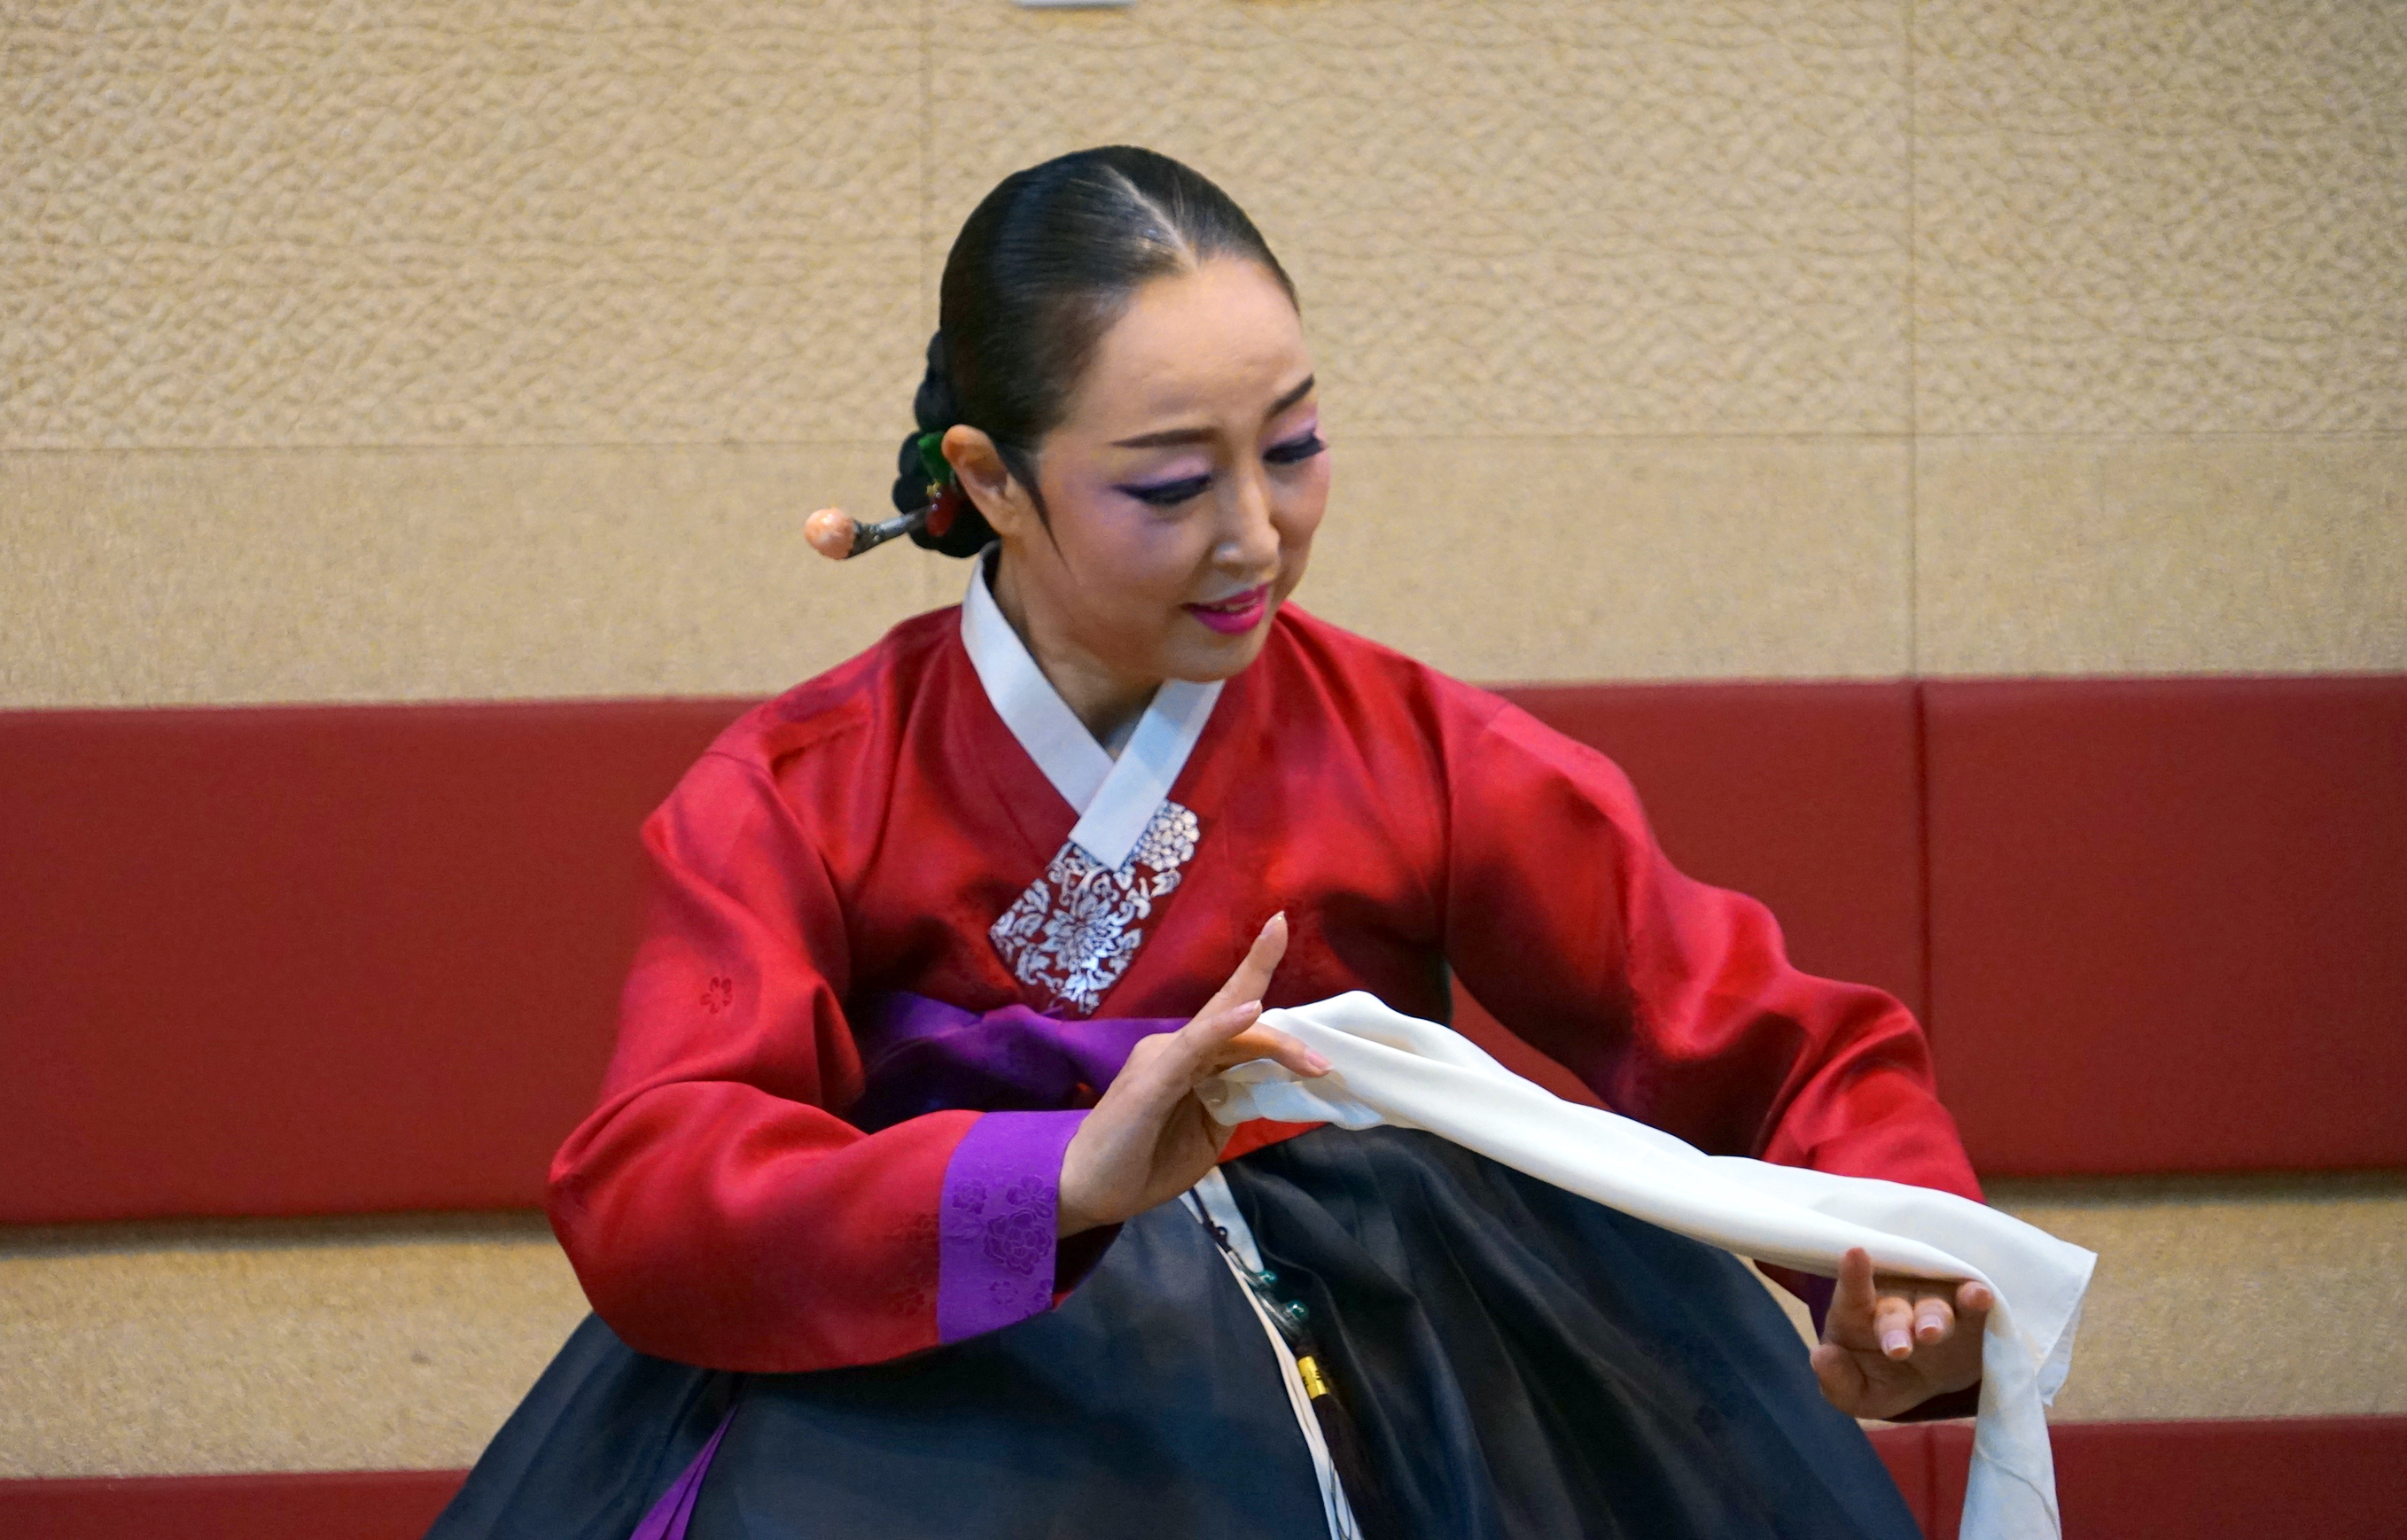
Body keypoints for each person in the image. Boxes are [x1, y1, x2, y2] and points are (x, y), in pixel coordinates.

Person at [429, 145, 1990, 1540]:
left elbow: (1760, 1034)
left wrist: (1901, 1257)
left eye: (1292, 446)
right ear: (989, 479)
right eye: (1171, 482)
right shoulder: (797, 790)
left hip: (1403, 1368)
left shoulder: (1414, 748)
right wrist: (1048, 1179)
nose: (1255, 533)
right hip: (928, 1402)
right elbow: (657, 1178)